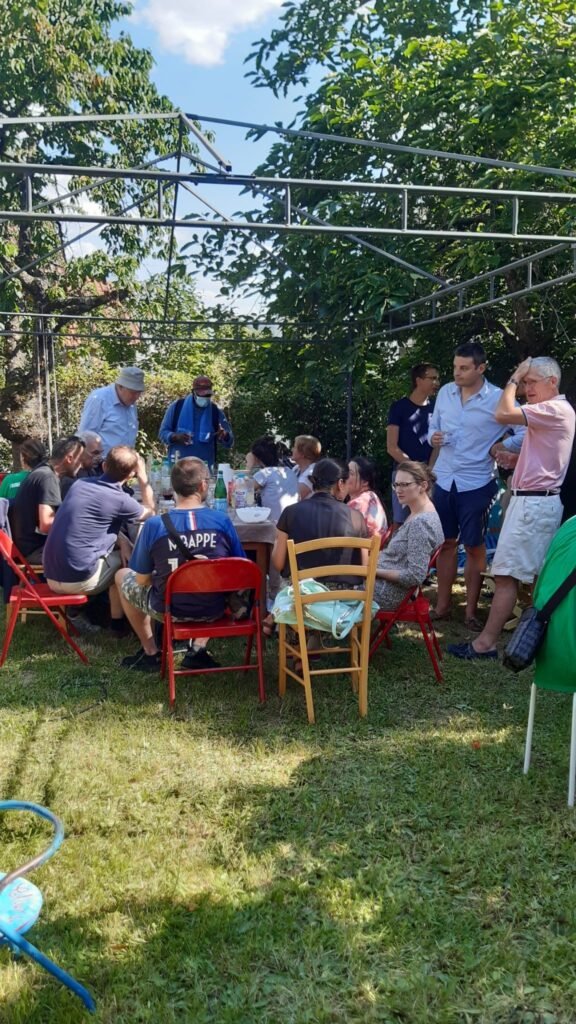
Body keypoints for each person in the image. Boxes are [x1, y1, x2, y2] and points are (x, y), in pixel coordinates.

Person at [448, 356, 575, 660]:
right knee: (532, 575)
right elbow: (549, 458)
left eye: (532, 382)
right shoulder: (554, 411)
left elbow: (502, 413)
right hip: (534, 500)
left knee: (507, 575)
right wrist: (518, 461)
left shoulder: (552, 409)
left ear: (552, 382)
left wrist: (514, 376)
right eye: (525, 382)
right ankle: (538, 643)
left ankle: (486, 644)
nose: (525, 389)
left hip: (533, 503)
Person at [427, 341, 524, 630]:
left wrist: (500, 446)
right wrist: (433, 437)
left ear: (481, 368)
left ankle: (470, 612)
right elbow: (433, 425)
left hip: (476, 482)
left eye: (464, 368)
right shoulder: (445, 392)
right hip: (444, 478)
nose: (456, 373)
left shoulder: (498, 398)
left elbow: (525, 429)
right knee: (446, 543)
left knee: (473, 547)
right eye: (455, 367)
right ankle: (442, 606)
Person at [116, 456, 245, 673]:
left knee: (122, 576)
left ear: (173, 487)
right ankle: (198, 648)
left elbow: (142, 579)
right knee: (211, 582)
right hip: (213, 608)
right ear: (203, 485)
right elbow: (239, 571)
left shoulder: (154, 525)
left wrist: (165, 576)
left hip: (168, 609)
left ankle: (151, 651)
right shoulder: (222, 522)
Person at [43, 447, 155, 634]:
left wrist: (122, 541)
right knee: (131, 564)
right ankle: (122, 626)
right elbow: (151, 513)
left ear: (104, 466)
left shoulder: (79, 485)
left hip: (51, 574)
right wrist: (143, 478)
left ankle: (116, 623)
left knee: (121, 555)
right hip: (77, 580)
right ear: (131, 475)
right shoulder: (120, 499)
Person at [374, 462, 444, 610]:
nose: (398, 490)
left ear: (423, 486)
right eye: (396, 485)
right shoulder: (418, 513)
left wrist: (373, 571)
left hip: (384, 592)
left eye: (404, 485)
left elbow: (414, 575)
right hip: (380, 584)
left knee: (331, 584)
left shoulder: (421, 523)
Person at [9, 435, 85, 562]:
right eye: (80, 460)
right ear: (70, 458)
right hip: (36, 551)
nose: (81, 466)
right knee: (96, 556)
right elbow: (47, 524)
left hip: (30, 548)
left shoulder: (42, 472)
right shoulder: (47, 477)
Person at [387, 363, 440, 526]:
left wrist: (429, 470)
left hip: (429, 474)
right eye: (432, 378)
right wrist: (415, 470)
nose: (437, 383)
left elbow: (438, 443)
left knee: (428, 521)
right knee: (401, 523)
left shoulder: (437, 408)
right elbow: (391, 447)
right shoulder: (398, 408)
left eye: (437, 379)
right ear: (418, 380)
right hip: (404, 473)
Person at [158, 374, 233, 471]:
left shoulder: (215, 411)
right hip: (179, 469)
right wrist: (175, 437)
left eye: (207, 395)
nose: (204, 398)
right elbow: (162, 433)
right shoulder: (177, 407)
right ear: (193, 392)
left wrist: (225, 436)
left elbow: (230, 442)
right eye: (201, 394)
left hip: (205, 470)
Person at [78, 367, 144, 455]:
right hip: (102, 461)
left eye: (139, 392)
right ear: (120, 387)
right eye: (133, 392)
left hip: (125, 460)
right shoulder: (99, 399)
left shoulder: (131, 402)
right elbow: (84, 436)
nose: (137, 397)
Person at [246, 436, 299, 522]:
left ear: (257, 458)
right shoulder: (288, 471)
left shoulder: (265, 473)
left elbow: (243, 490)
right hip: (292, 522)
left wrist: (249, 464)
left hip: (274, 524)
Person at [347, 456, 388, 538]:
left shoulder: (358, 503)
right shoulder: (371, 497)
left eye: (351, 474)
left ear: (365, 482)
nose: (344, 477)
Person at [60, 430, 104, 498]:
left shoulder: (98, 470)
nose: (99, 457)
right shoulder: (68, 475)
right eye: (95, 453)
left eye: (101, 453)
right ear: (80, 451)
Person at [291, 435, 322, 500]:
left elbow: (293, 498)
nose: (292, 449)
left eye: (295, 447)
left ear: (303, 453)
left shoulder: (312, 473)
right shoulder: (296, 468)